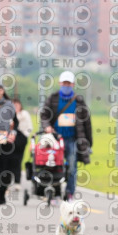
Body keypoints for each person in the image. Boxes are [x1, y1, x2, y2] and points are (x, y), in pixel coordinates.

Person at [40, 71, 93, 201]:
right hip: (55, 139)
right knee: (53, 165)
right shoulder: (53, 98)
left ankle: (69, 193)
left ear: (73, 84)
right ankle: (55, 193)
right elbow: (44, 115)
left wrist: (88, 142)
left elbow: (87, 122)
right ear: (60, 83)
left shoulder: (79, 101)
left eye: (69, 83)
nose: (66, 85)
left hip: (72, 139)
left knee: (72, 167)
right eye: (64, 83)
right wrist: (47, 126)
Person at [9, 98, 31, 188]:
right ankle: (7, 180)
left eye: (17, 105)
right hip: (10, 138)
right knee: (9, 159)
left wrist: (26, 135)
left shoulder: (24, 114)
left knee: (18, 160)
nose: (16, 107)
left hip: (21, 138)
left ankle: (17, 181)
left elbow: (29, 127)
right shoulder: (9, 115)